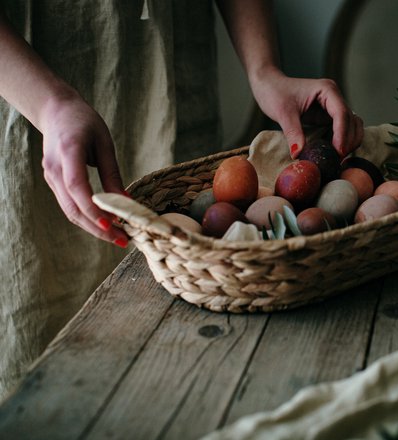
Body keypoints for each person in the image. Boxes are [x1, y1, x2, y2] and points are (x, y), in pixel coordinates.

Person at [0, 0, 363, 400]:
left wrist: (264, 71)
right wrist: (49, 105)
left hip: (172, 62)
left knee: (189, 365)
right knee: (50, 374)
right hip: (28, 87)